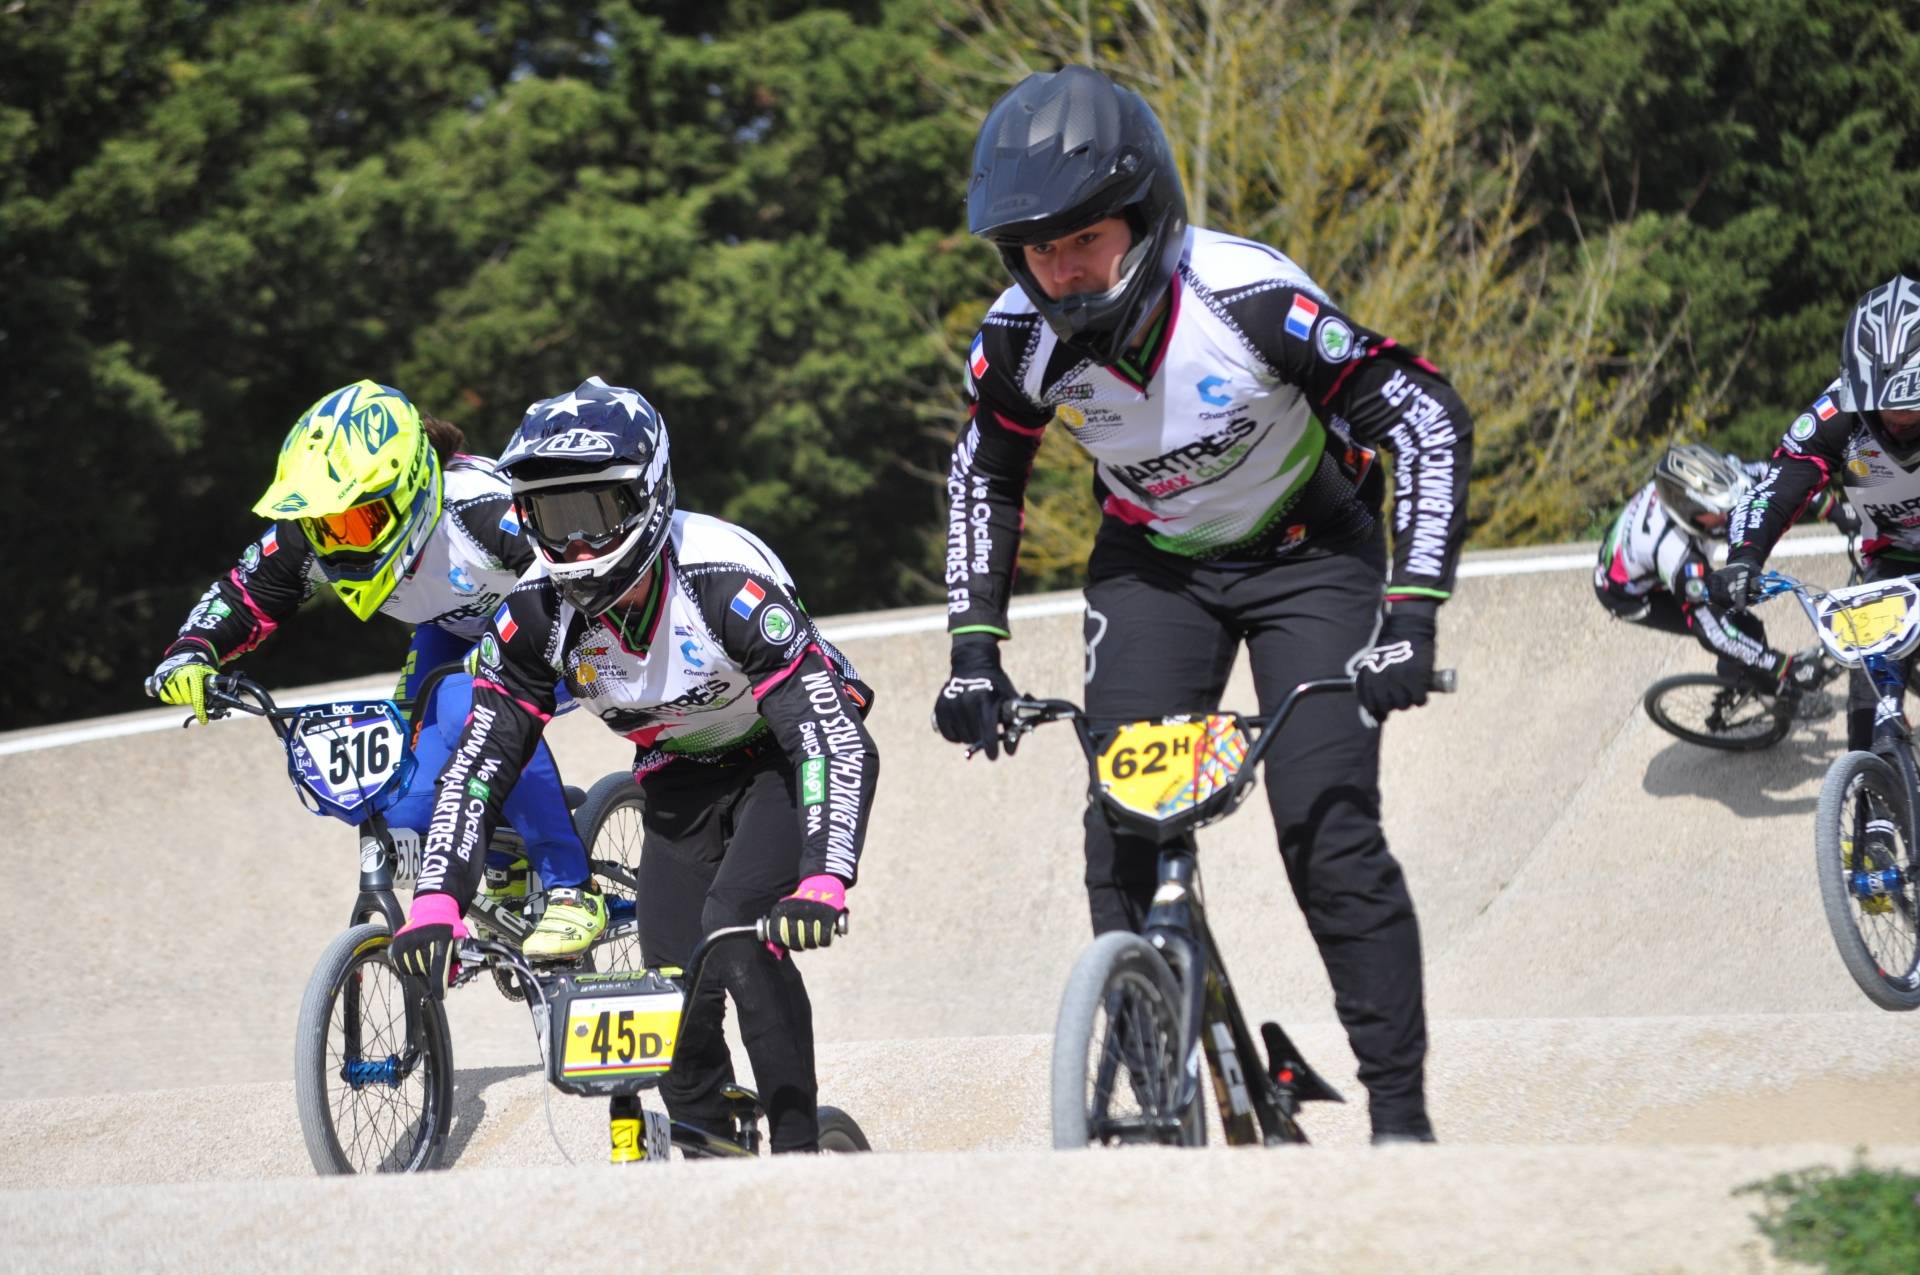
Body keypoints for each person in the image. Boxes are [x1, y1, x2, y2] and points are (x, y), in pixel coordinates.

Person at [931, 65, 1472, 1144]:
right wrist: (973, 653)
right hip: (1155, 571)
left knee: (1326, 833)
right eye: (1038, 250)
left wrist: (1412, 613)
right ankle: (1149, 1108)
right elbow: (980, 476)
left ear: (1148, 213)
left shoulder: (1250, 298)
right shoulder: (1015, 341)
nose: (1063, 272)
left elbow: (1426, 418)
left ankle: (1401, 1125)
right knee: (1122, 833)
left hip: (1314, 559)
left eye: (1086, 239)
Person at [388, 377, 879, 1153]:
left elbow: (828, 734)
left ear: (647, 498)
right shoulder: (534, 614)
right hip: (679, 777)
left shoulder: (724, 581)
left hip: (784, 760)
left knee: (739, 936)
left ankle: (799, 1154)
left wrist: (825, 876)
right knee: (671, 991)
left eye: (595, 513)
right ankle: (705, 1136)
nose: (575, 544)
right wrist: (436, 901)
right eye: (553, 517)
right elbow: (479, 766)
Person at [144, 380, 604, 957]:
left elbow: (588, 581)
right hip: (452, 635)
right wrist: (191, 652)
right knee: (405, 799)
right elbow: (241, 598)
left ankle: (571, 889)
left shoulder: (483, 510)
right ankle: (505, 848)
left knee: (472, 703)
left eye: (358, 523)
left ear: (410, 488)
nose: (339, 544)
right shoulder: (312, 532)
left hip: (559, 629)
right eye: (325, 526)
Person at [1711, 273, 1920, 749]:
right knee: (1865, 724)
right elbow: (1778, 486)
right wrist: (1745, 556)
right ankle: (1872, 810)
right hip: (1893, 560)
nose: (1898, 427)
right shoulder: (1836, 414)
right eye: (1884, 413)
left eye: (1913, 413)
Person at [1595, 442, 1858, 693]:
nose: (1729, 516)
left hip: (1638, 550)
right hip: (1626, 593)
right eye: (1720, 512)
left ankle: (1753, 675)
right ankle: (1763, 689)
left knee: (1740, 621)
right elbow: (1714, 633)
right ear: (1688, 511)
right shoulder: (1677, 557)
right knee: (1744, 628)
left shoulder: (1719, 478)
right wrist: (1784, 668)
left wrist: (1834, 510)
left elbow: (1779, 479)